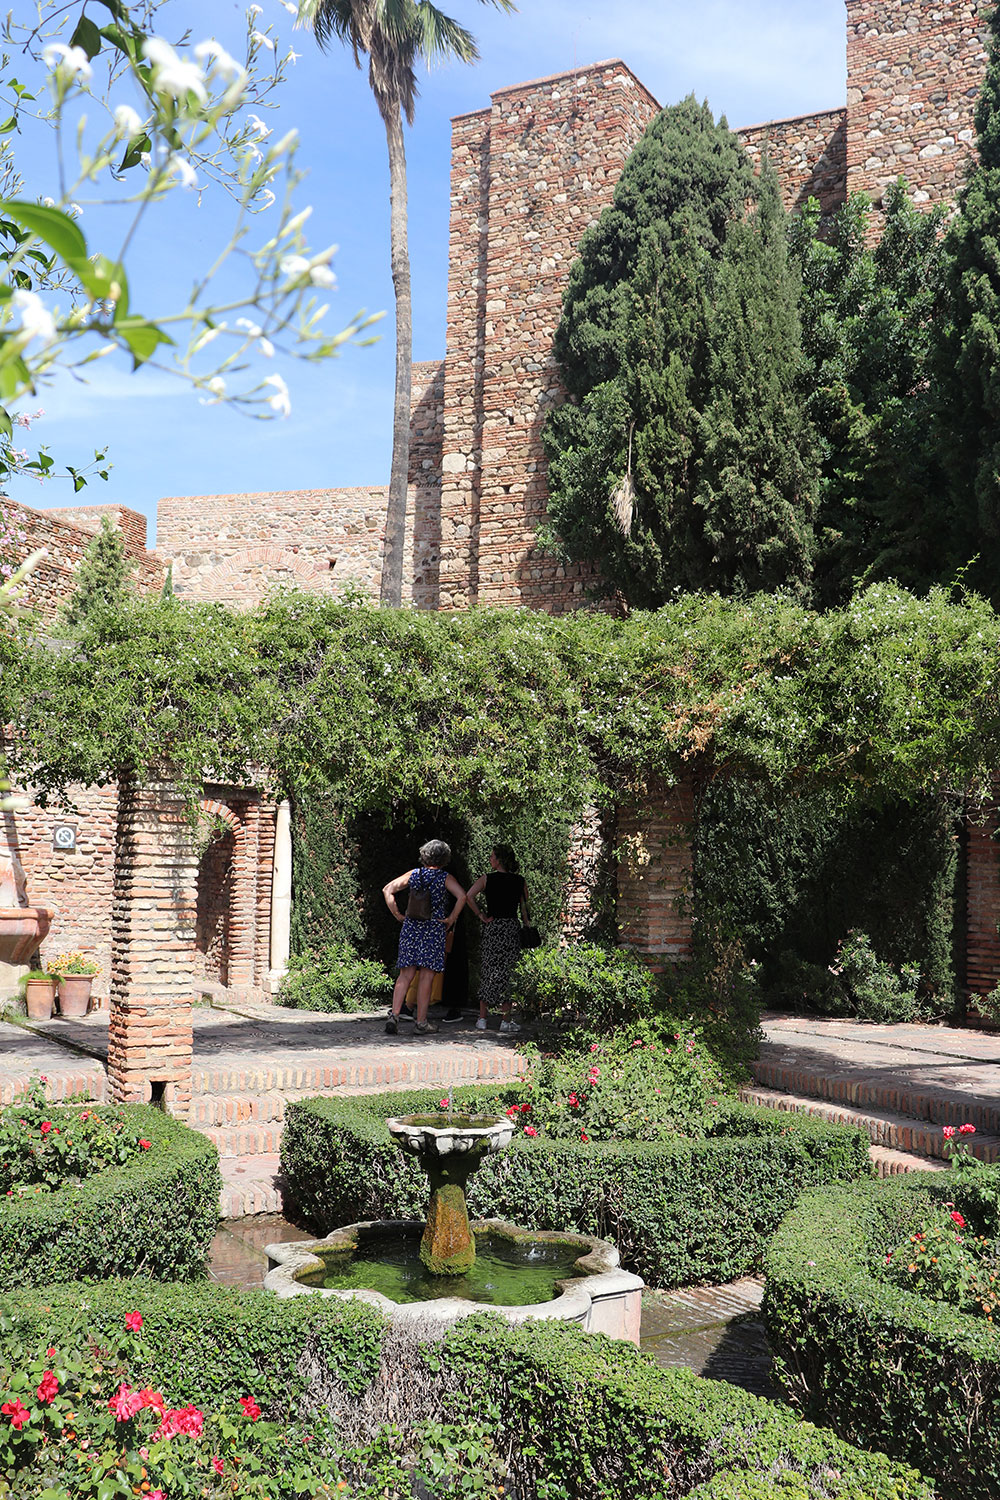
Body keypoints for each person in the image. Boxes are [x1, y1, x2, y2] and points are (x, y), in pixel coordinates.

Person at [383, 840, 467, 1036]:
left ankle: (394, 1016)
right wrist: (450, 919)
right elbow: (462, 896)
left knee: (405, 975)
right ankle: (421, 1022)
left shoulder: (414, 874)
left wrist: (398, 915)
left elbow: (388, 889)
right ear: (444, 858)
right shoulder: (445, 877)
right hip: (434, 928)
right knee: (427, 977)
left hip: (411, 927)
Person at [466, 844, 530, 1035]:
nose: (490, 859)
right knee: (508, 972)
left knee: (489, 969)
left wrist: (480, 915)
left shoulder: (487, 879)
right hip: (510, 928)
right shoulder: (520, 881)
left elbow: (469, 896)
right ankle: (505, 1020)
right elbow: (525, 907)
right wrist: (527, 926)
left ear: (499, 859)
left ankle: (482, 1018)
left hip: (493, 927)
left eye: (492, 856)